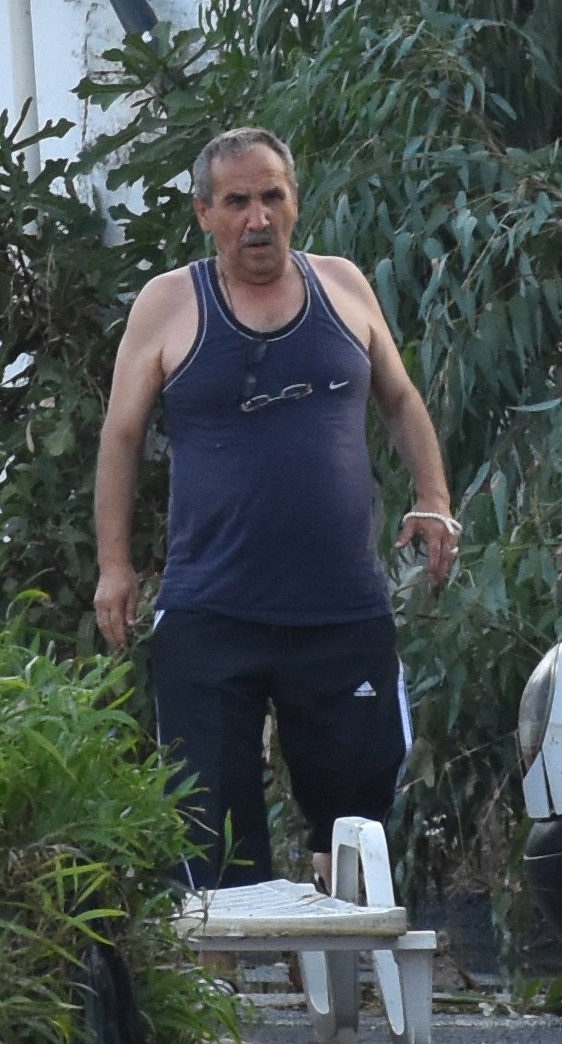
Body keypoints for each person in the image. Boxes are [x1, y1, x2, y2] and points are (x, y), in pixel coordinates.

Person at [89, 128, 460, 887]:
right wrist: (115, 567)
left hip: (341, 611)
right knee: (210, 826)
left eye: (271, 197)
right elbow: (121, 438)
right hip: (212, 611)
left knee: (358, 817)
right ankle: (221, 988)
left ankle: (337, 970)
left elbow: (400, 398)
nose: (256, 218)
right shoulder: (170, 303)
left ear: (295, 200)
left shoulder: (343, 285)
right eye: (236, 202)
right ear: (203, 213)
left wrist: (434, 501)